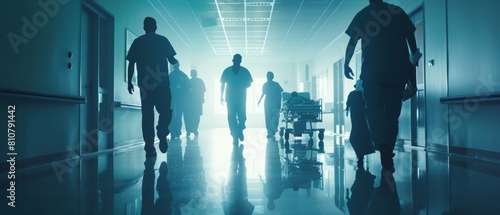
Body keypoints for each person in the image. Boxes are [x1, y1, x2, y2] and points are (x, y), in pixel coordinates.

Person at [343, 0, 420, 172]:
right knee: (392, 115)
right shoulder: (397, 11)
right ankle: (388, 149)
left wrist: (346, 63)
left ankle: (383, 145)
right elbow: (410, 36)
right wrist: (414, 55)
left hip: (372, 74)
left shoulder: (362, 15)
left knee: (374, 110)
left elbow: (352, 43)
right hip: (397, 73)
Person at [126, 16, 178, 157]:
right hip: (162, 84)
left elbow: (131, 63)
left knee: (147, 116)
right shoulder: (163, 40)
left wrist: (130, 81)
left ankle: (149, 147)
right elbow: (172, 60)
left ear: (144, 27)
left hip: (145, 86)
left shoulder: (137, 42)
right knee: (166, 111)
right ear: (155, 27)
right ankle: (162, 130)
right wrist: (174, 60)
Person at [220, 54, 253, 144]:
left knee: (242, 116)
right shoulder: (227, 71)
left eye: (238, 60)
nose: (237, 62)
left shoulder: (245, 71)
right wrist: (221, 96)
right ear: (232, 60)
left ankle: (240, 130)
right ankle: (235, 135)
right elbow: (222, 84)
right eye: (235, 60)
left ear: (240, 61)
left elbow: (249, 83)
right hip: (230, 98)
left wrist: (243, 86)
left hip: (241, 97)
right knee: (231, 117)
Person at [346, 80, 375, 167]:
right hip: (364, 117)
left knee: (356, 133)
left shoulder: (352, 94)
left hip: (355, 117)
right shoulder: (365, 95)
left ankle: (360, 154)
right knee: (364, 133)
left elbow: (348, 104)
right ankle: (361, 153)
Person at [258, 71, 284, 138]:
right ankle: (269, 131)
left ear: (272, 77)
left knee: (275, 117)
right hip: (267, 103)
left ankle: (273, 130)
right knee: (267, 117)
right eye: (267, 76)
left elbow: (281, 94)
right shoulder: (265, 85)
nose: (268, 77)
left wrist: (279, 103)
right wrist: (259, 100)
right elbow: (263, 93)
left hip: (275, 104)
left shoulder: (276, 84)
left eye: (269, 76)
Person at [169, 63, 190, 139]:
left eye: (176, 66)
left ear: (178, 66)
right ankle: (173, 131)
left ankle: (177, 131)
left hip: (180, 100)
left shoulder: (183, 76)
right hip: (171, 99)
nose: (175, 67)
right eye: (174, 66)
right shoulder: (170, 76)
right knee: (172, 116)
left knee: (178, 115)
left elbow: (188, 87)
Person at [185, 69, 206, 137]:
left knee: (192, 116)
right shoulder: (200, 81)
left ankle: (191, 129)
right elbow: (203, 91)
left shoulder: (189, 81)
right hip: (196, 102)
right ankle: (194, 129)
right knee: (196, 116)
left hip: (192, 102)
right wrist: (202, 98)